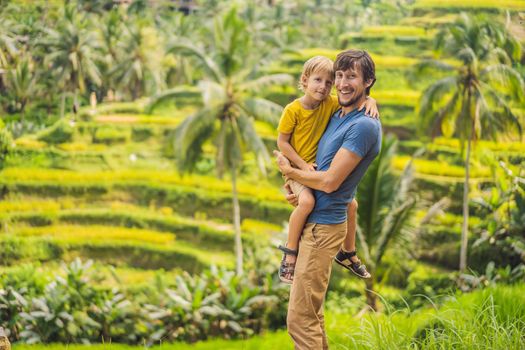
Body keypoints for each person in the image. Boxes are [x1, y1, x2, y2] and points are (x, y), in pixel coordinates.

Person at [274, 49, 382, 350]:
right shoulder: (338, 112)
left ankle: (295, 250)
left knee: (299, 319)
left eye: (352, 77)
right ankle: (348, 253)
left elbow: (331, 182)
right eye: (340, 76)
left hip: (323, 228)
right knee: (312, 315)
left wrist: (289, 169)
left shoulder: (362, 125)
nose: (342, 84)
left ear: (368, 81)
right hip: (317, 221)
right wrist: (297, 184)